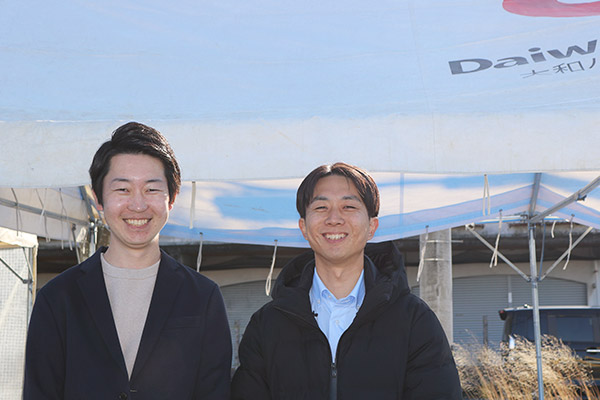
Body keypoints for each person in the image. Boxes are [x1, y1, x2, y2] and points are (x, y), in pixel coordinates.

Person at [24, 122, 232, 399]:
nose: (138, 205)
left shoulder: (202, 296)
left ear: (172, 199)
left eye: (151, 189)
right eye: (123, 189)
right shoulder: (58, 297)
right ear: (98, 199)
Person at [231, 162, 462, 399]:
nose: (334, 219)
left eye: (349, 206)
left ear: (372, 226)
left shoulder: (414, 320)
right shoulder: (267, 325)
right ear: (304, 227)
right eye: (321, 207)